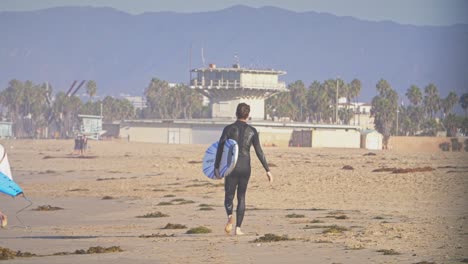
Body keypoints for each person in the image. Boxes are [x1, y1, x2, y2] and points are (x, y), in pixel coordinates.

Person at [214, 103, 273, 236]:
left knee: (229, 195)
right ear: (248, 115)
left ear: (236, 113)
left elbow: (220, 148)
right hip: (245, 167)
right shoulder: (252, 131)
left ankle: (230, 216)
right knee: (241, 197)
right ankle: (238, 229)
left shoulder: (228, 129)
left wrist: (217, 167)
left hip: (231, 167)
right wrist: (267, 170)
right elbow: (259, 151)